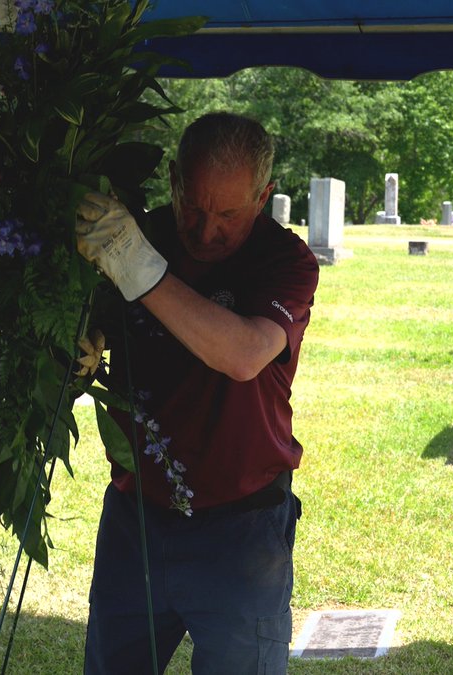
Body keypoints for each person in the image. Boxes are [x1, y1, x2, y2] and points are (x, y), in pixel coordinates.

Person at [76, 112, 319, 674]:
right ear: (175, 182)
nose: (206, 230)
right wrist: (79, 343)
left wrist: (139, 270)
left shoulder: (285, 261)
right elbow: (94, 323)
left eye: (229, 214)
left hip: (242, 527)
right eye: (193, 206)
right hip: (137, 516)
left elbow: (243, 354)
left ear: (264, 196)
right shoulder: (133, 233)